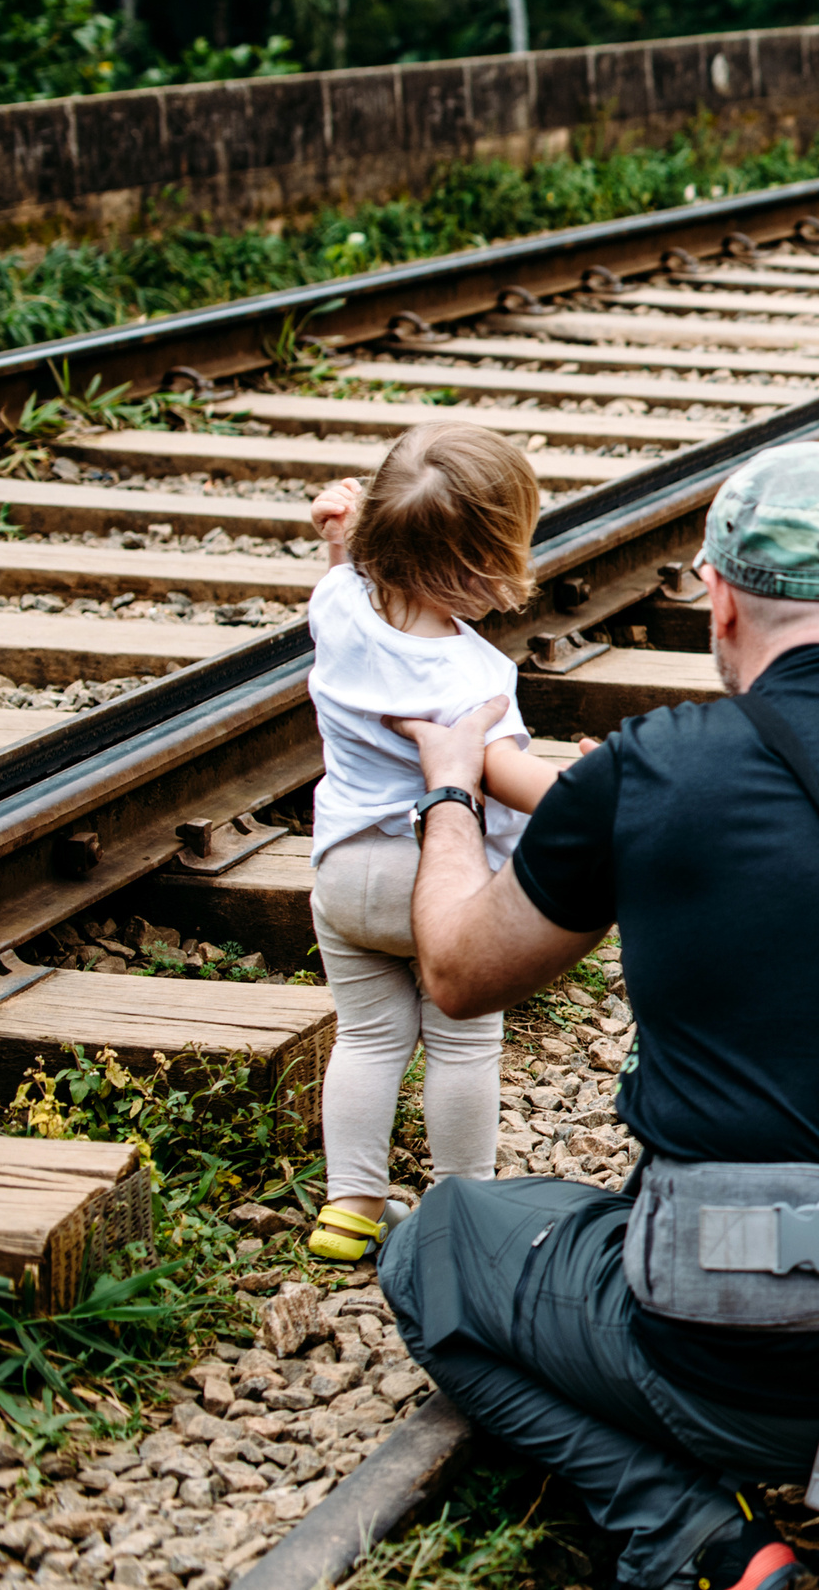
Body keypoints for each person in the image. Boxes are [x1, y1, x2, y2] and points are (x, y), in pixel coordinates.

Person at [376, 443, 819, 1590]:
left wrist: (451, 793)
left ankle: (695, 1536)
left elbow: (457, 970)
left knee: (443, 1245)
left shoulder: (657, 771)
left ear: (716, 600)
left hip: (740, 1381)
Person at [302, 423, 576, 1265]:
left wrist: (346, 536)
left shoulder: (337, 603)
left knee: (368, 1036)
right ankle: (467, 1198)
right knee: (462, 1043)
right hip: (440, 883)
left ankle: (348, 1205)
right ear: (485, 568)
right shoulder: (471, 678)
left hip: (346, 875)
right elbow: (495, 774)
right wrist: (596, 793)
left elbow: (358, 565)